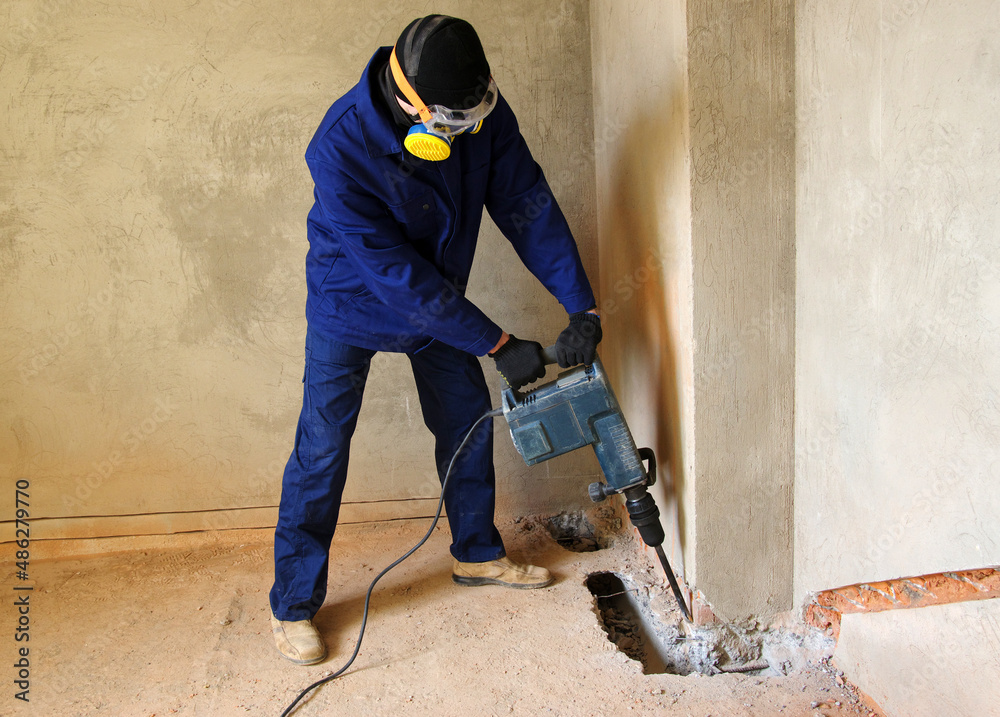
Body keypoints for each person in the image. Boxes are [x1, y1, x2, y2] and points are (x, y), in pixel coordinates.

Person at [269, 14, 602, 665]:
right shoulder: (337, 148)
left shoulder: (480, 116)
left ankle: (477, 553)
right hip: (352, 302)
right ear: (414, 107)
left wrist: (582, 304)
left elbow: (525, 203)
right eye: (454, 124)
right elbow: (396, 276)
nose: (470, 131)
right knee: (323, 445)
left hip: (441, 297)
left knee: (466, 418)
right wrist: (499, 342)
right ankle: (292, 604)